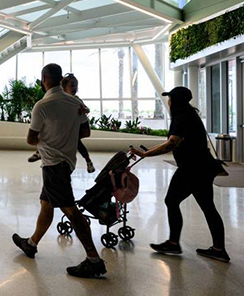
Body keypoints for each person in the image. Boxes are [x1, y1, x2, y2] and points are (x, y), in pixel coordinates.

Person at [12, 63, 106, 279]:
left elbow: (30, 140)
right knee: (46, 203)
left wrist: (51, 135)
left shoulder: (42, 105)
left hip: (53, 165)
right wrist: (65, 133)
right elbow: (85, 131)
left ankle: (93, 259)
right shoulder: (75, 103)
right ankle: (31, 244)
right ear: (59, 78)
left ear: (44, 79)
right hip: (66, 162)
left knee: (70, 210)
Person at [130, 86, 230, 263]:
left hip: (192, 168)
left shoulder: (182, 117)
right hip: (202, 166)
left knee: (172, 200)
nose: (168, 102)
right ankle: (218, 249)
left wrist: (145, 154)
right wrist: (147, 151)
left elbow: (171, 144)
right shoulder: (189, 115)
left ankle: (174, 243)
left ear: (175, 101)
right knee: (207, 206)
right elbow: (170, 142)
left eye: (170, 99)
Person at [27, 74, 95, 174]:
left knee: (78, 143)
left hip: (70, 133)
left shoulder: (76, 101)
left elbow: (86, 111)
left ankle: (88, 161)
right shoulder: (54, 101)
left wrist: (85, 110)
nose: (75, 88)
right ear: (63, 86)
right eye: (72, 85)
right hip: (62, 135)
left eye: (76, 86)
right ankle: (39, 152)